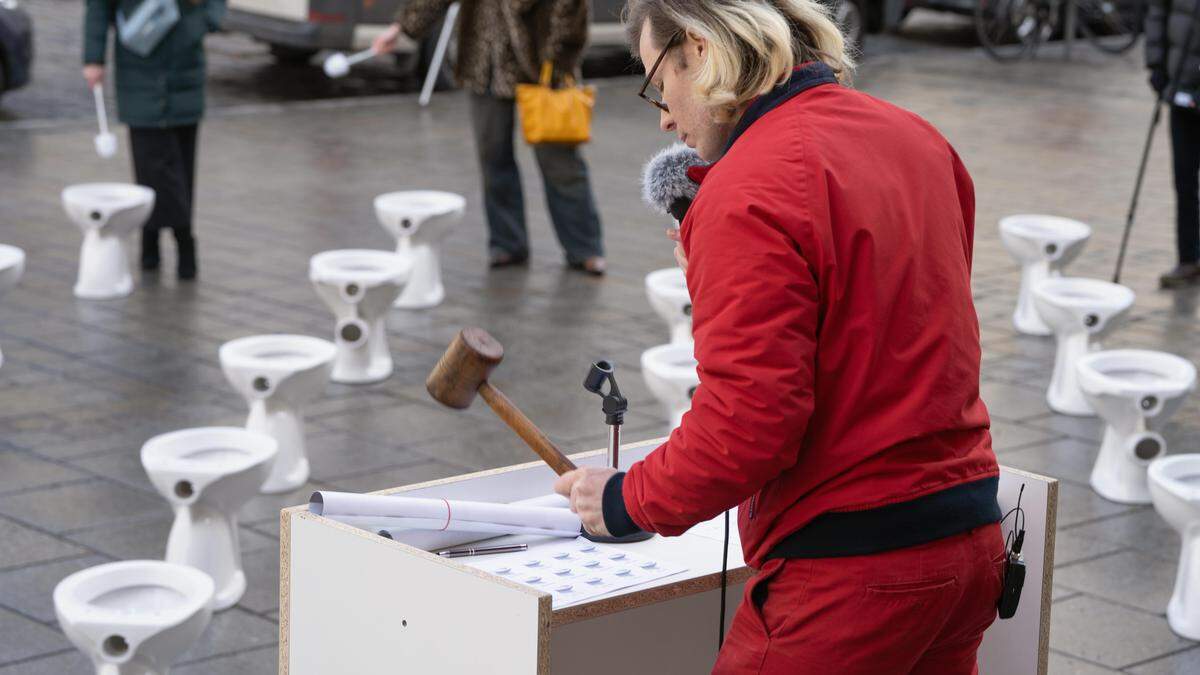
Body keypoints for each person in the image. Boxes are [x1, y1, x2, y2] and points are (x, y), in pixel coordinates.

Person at [554, 1, 1006, 672]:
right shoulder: (915, 136)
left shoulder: (748, 187)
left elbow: (748, 425)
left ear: (701, 50)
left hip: (852, 572)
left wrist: (624, 499)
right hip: (968, 540)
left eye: (658, 81)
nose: (664, 116)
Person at [373, 0, 607, 275]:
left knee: (559, 162)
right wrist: (402, 27)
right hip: (484, 63)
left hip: (541, 60)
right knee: (493, 157)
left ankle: (584, 247)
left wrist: (559, 54)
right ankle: (507, 244)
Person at [82, 0, 223, 280]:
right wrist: (93, 57)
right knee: (151, 164)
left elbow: (215, 7)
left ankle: (163, 240)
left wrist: (199, 24)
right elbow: (98, 7)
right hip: (139, 68)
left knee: (182, 166)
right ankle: (173, 238)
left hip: (184, 69)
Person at [1146, 0, 1200, 288]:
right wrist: (1156, 63)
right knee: (1184, 179)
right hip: (1182, 88)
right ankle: (1188, 258)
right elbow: (1157, 12)